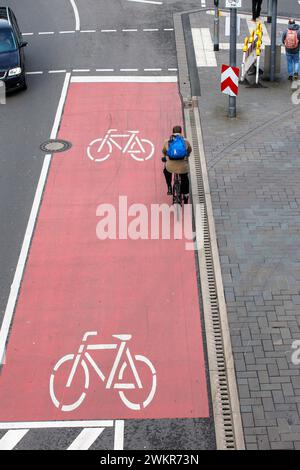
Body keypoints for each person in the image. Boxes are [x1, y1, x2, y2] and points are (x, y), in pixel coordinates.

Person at [162, 125, 192, 204]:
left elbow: (164, 152)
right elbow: (189, 150)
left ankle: (169, 186)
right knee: (184, 177)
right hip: (182, 167)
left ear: (173, 132)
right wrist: (187, 155)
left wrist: (165, 157)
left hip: (170, 166)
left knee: (166, 171)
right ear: (181, 132)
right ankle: (185, 195)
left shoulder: (167, 141)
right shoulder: (185, 141)